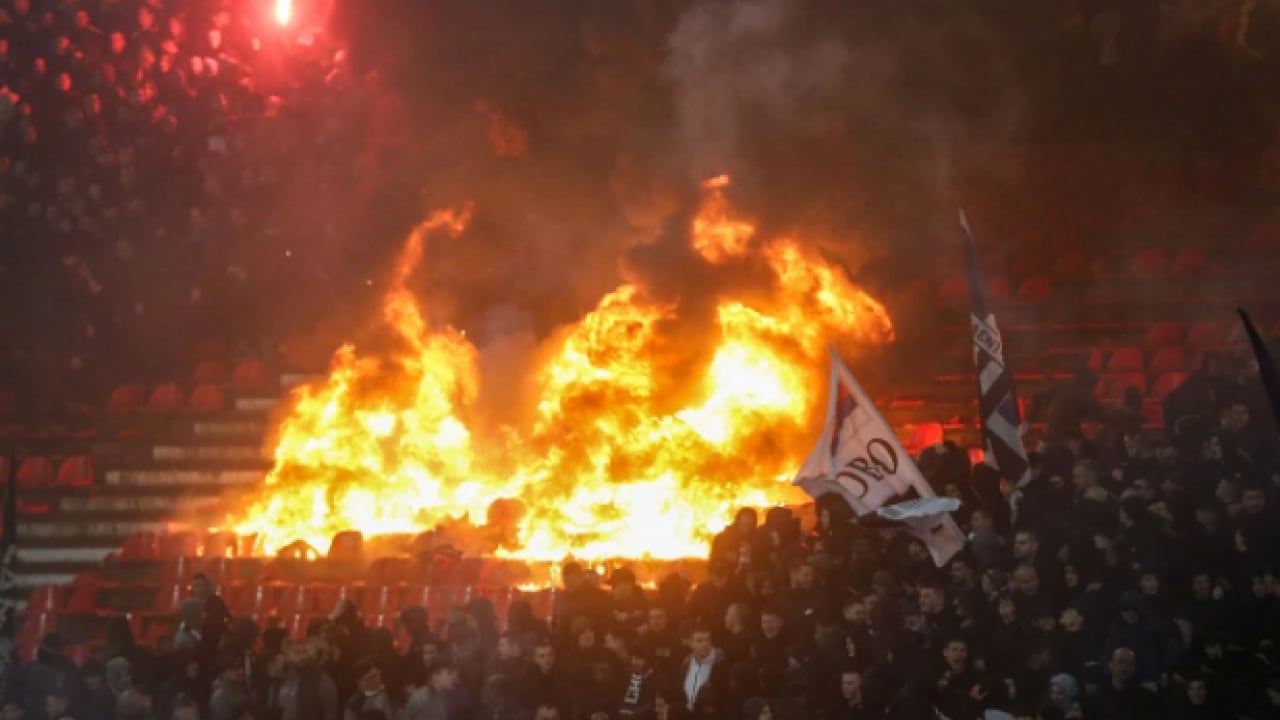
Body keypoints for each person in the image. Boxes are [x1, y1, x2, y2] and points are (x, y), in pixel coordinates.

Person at [271, 639, 339, 720]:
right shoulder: (279, 679)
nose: (303, 656)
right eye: (297, 652)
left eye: (305, 652)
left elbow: (330, 713)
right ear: (285, 655)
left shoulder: (320, 680)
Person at [1091, 648, 1159, 719]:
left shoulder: (1146, 697)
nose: (1124, 667)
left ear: (1133, 667)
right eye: (1120, 662)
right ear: (1111, 665)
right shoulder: (1097, 698)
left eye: (1129, 663)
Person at [675, 625, 726, 719]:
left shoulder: (721, 664)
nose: (704, 644)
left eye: (707, 640)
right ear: (691, 643)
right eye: (699, 641)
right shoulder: (685, 665)